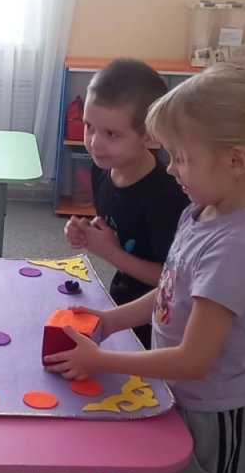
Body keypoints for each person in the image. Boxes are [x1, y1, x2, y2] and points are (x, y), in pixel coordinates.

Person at [47, 64, 245, 473]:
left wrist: (102, 360)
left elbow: (194, 359)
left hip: (217, 417)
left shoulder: (236, 250)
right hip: (180, 394)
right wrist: (109, 321)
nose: (169, 169)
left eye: (180, 158)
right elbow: (171, 289)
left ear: (236, 161)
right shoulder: (201, 211)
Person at [64, 58, 189, 349]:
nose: (95, 142)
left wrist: (109, 251)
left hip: (161, 321)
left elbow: (173, 280)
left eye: (111, 134)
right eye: (89, 126)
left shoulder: (167, 197)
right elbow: (119, 229)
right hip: (121, 304)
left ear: (148, 134)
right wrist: (88, 233)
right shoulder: (101, 169)